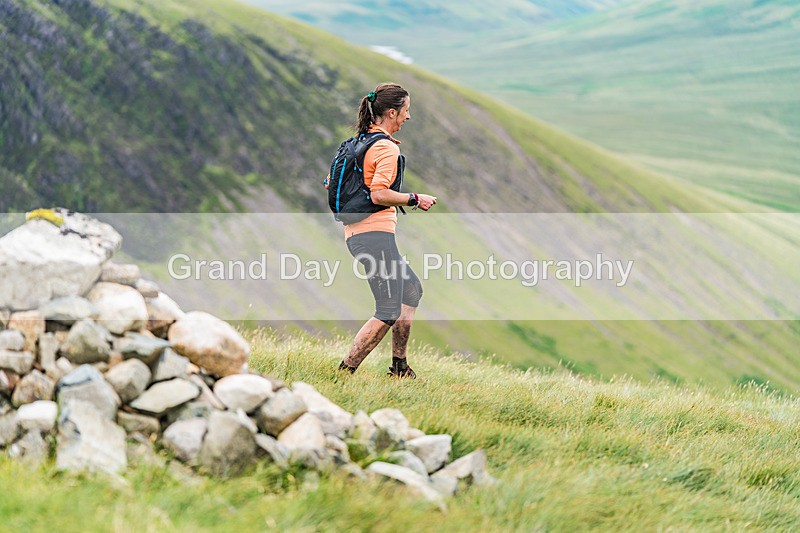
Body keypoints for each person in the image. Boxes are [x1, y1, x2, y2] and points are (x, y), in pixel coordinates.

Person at [336, 83, 437, 378]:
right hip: (374, 236)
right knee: (388, 309)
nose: (408, 117)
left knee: (411, 291)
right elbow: (379, 194)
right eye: (406, 111)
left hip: (361, 234)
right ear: (392, 112)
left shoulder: (357, 143)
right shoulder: (385, 148)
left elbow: (331, 182)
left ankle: (400, 367)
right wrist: (415, 199)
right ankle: (345, 372)